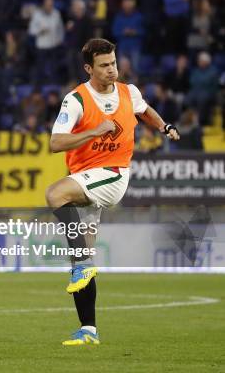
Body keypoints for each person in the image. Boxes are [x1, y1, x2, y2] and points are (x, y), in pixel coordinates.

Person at [46, 38, 180, 346]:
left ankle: (81, 267)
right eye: (104, 65)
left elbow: (145, 110)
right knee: (82, 256)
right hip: (87, 176)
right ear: (88, 68)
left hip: (114, 175)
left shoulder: (128, 92)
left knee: (55, 195)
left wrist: (164, 126)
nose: (112, 70)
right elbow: (55, 143)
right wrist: (93, 131)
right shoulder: (76, 100)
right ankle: (88, 329)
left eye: (114, 63)